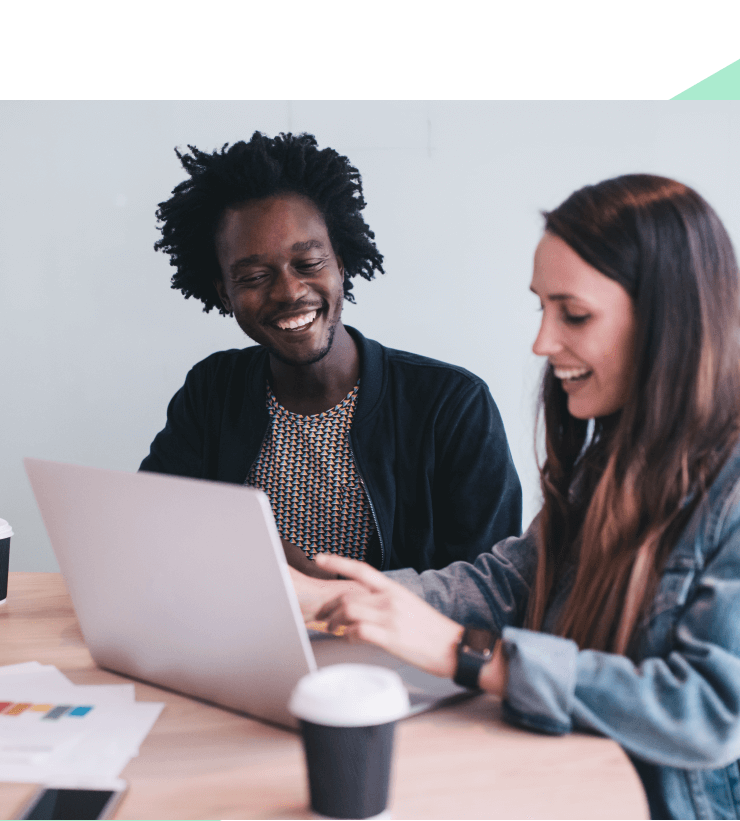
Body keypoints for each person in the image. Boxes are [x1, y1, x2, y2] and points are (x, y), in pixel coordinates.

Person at [290, 174, 740, 820]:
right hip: (591, 781)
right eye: (541, 307)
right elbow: (511, 582)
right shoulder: (628, 443)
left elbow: (706, 711)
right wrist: (341, 599)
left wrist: (467, 653)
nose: (543, 342)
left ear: (667, 317)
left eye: (573, 313)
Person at [141, 132, 523, 579]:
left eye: (308, 264)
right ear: (224, 293)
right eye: (254, 276)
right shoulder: (212, 390)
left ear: (341, 264)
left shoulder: (452, 404)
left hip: (387, 649)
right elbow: (152, 527)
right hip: (237, 643)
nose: (288, 292)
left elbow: (490, 588)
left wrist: (310, 582)